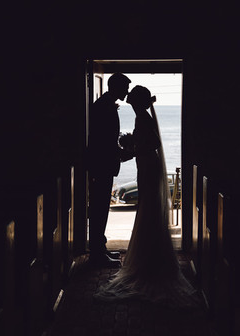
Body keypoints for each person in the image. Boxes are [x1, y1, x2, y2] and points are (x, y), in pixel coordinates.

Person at [94, 86, 200, 308]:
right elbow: (148, 144)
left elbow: (153, 144)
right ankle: (151, 256)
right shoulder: (141, 116)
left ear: (136, 102)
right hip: (145, 165)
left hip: (147, 166)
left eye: (131, 97)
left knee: (148, 209)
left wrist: (132, 148)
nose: (128, 98)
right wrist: (134, 147)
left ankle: (149, 260)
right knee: (147, 209)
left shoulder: (142, 117)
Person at [88, 72, 132, 267]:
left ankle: (100, 249)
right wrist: (121, 153)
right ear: (116, 87)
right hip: (101, 166)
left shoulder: (105, 104)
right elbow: (102, 141)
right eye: (125, 88)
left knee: (102, 209)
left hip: (104, 165)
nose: (127, 91)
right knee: (98, 210)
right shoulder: (103, 107)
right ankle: (96, 255)